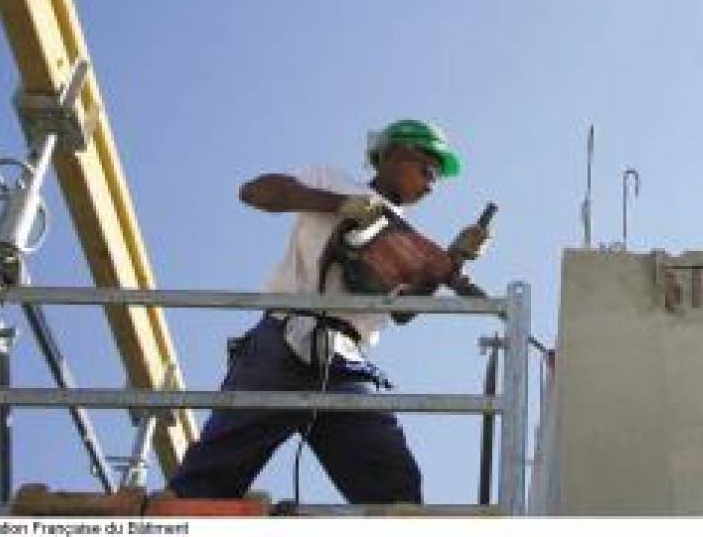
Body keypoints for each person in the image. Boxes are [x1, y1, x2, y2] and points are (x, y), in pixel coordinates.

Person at [167, 119, 489, 505]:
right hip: (283, 342)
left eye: (436, 176)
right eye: (427, 168)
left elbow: (403, 311)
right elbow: (255, 192)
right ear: (395, 154)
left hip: (344, 364)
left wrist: (450, 261)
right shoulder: (331, 181)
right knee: (208, 483)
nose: (431, 184)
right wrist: (341, 205)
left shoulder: (408, 239)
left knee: (395, 491)